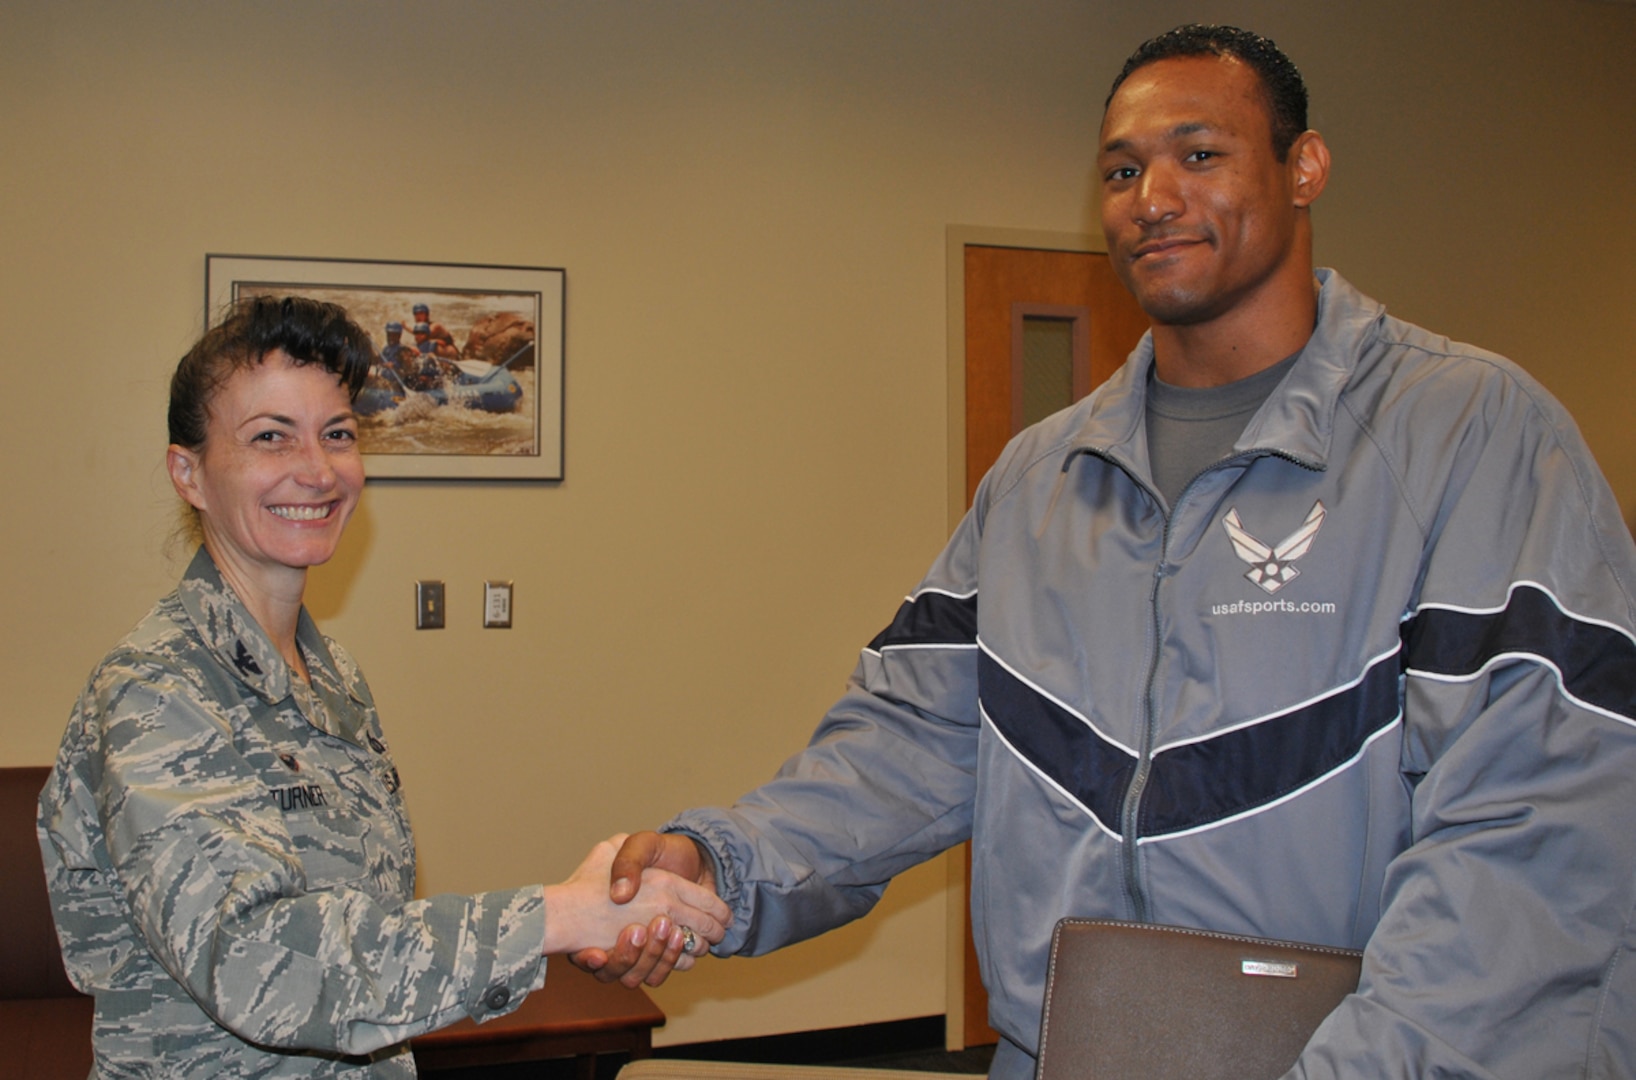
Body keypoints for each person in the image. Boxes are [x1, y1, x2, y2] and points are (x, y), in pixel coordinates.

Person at [579, 24, 1636, 1080]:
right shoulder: (1042, 475)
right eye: (1122, 170)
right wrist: (719, 860)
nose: (1153, 196)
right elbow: (906, 743)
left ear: (1303, 167)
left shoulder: (1471, 434)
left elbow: (1530, 835)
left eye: (1200, 155)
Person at [37, 296, 729, 1078]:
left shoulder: (333, 676)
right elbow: (262, 967)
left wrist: (576, 927)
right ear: (187, 472)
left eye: (337, 434)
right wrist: (556, 916)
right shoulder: (154, 690)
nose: (317, 470)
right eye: (271, 437)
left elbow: (366, 934)